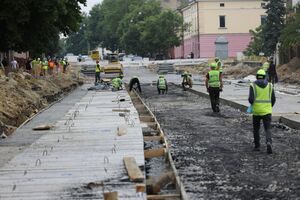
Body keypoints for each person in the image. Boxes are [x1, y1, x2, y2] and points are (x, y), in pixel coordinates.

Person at [248, 69, 276, 154]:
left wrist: (253, 105)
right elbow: (273, 99)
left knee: (256, 129)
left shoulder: (252, 85)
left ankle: (257, 146)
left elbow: (251, 99)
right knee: (267, 128)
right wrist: (269, 107)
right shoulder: (270, 85)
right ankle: (268, 142)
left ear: (257, 76)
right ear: (265, 76)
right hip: (267, 111)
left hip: (256, 111)